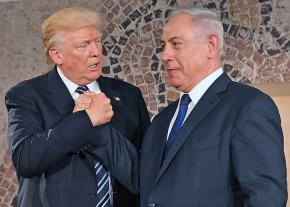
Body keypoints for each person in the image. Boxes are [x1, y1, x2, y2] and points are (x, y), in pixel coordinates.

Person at [89, 8, 288, 207]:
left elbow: (265, 198)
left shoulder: (248, 106)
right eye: (163, 46)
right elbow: (142, 179)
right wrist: (95, 125)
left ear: (211, 45)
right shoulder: (163, 120)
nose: (165, 55)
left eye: (176, 44)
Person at [5, 7, 150, 207]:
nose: (96, 52)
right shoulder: (26, 95)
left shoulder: (128, 94)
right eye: (83, 45)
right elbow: (26, 160)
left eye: (98, 41)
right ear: (57, 55)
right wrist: (85, 120)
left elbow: (145, 167)